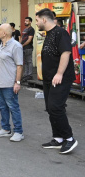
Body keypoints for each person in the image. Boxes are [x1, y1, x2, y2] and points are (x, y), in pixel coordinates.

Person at [36, 8, 78, 154]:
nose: (36, 23)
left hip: (60, 78)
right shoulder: (49, 34)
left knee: (56, 107)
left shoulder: (60, 33)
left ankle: (69, 138)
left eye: (37, 20)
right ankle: (58, 138)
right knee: (50, 108)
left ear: (44, 19)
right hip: (49, 78)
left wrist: (59, 74)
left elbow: (66, 53)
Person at [0, 24, 24, 142]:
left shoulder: (16, 46)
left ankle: (19, 132)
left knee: (13, 107)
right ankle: (5, 129)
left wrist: (17, 82)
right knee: (2, 107)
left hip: (10, 83)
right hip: (0, 82)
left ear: (4, 33)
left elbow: (19, 65)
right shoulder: (2, 44)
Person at [21, 16, 35, 81]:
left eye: (27, 21)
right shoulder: (25, 29)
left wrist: (23, 45)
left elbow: (29, 39)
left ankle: (30, 75)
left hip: (28, 48)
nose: (25, 22)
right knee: (25, 62)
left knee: (29, 61)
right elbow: (22, 38)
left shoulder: (31, 29)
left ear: (30, 22)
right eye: (25, 21)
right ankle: (26, 75)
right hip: (23, 47)